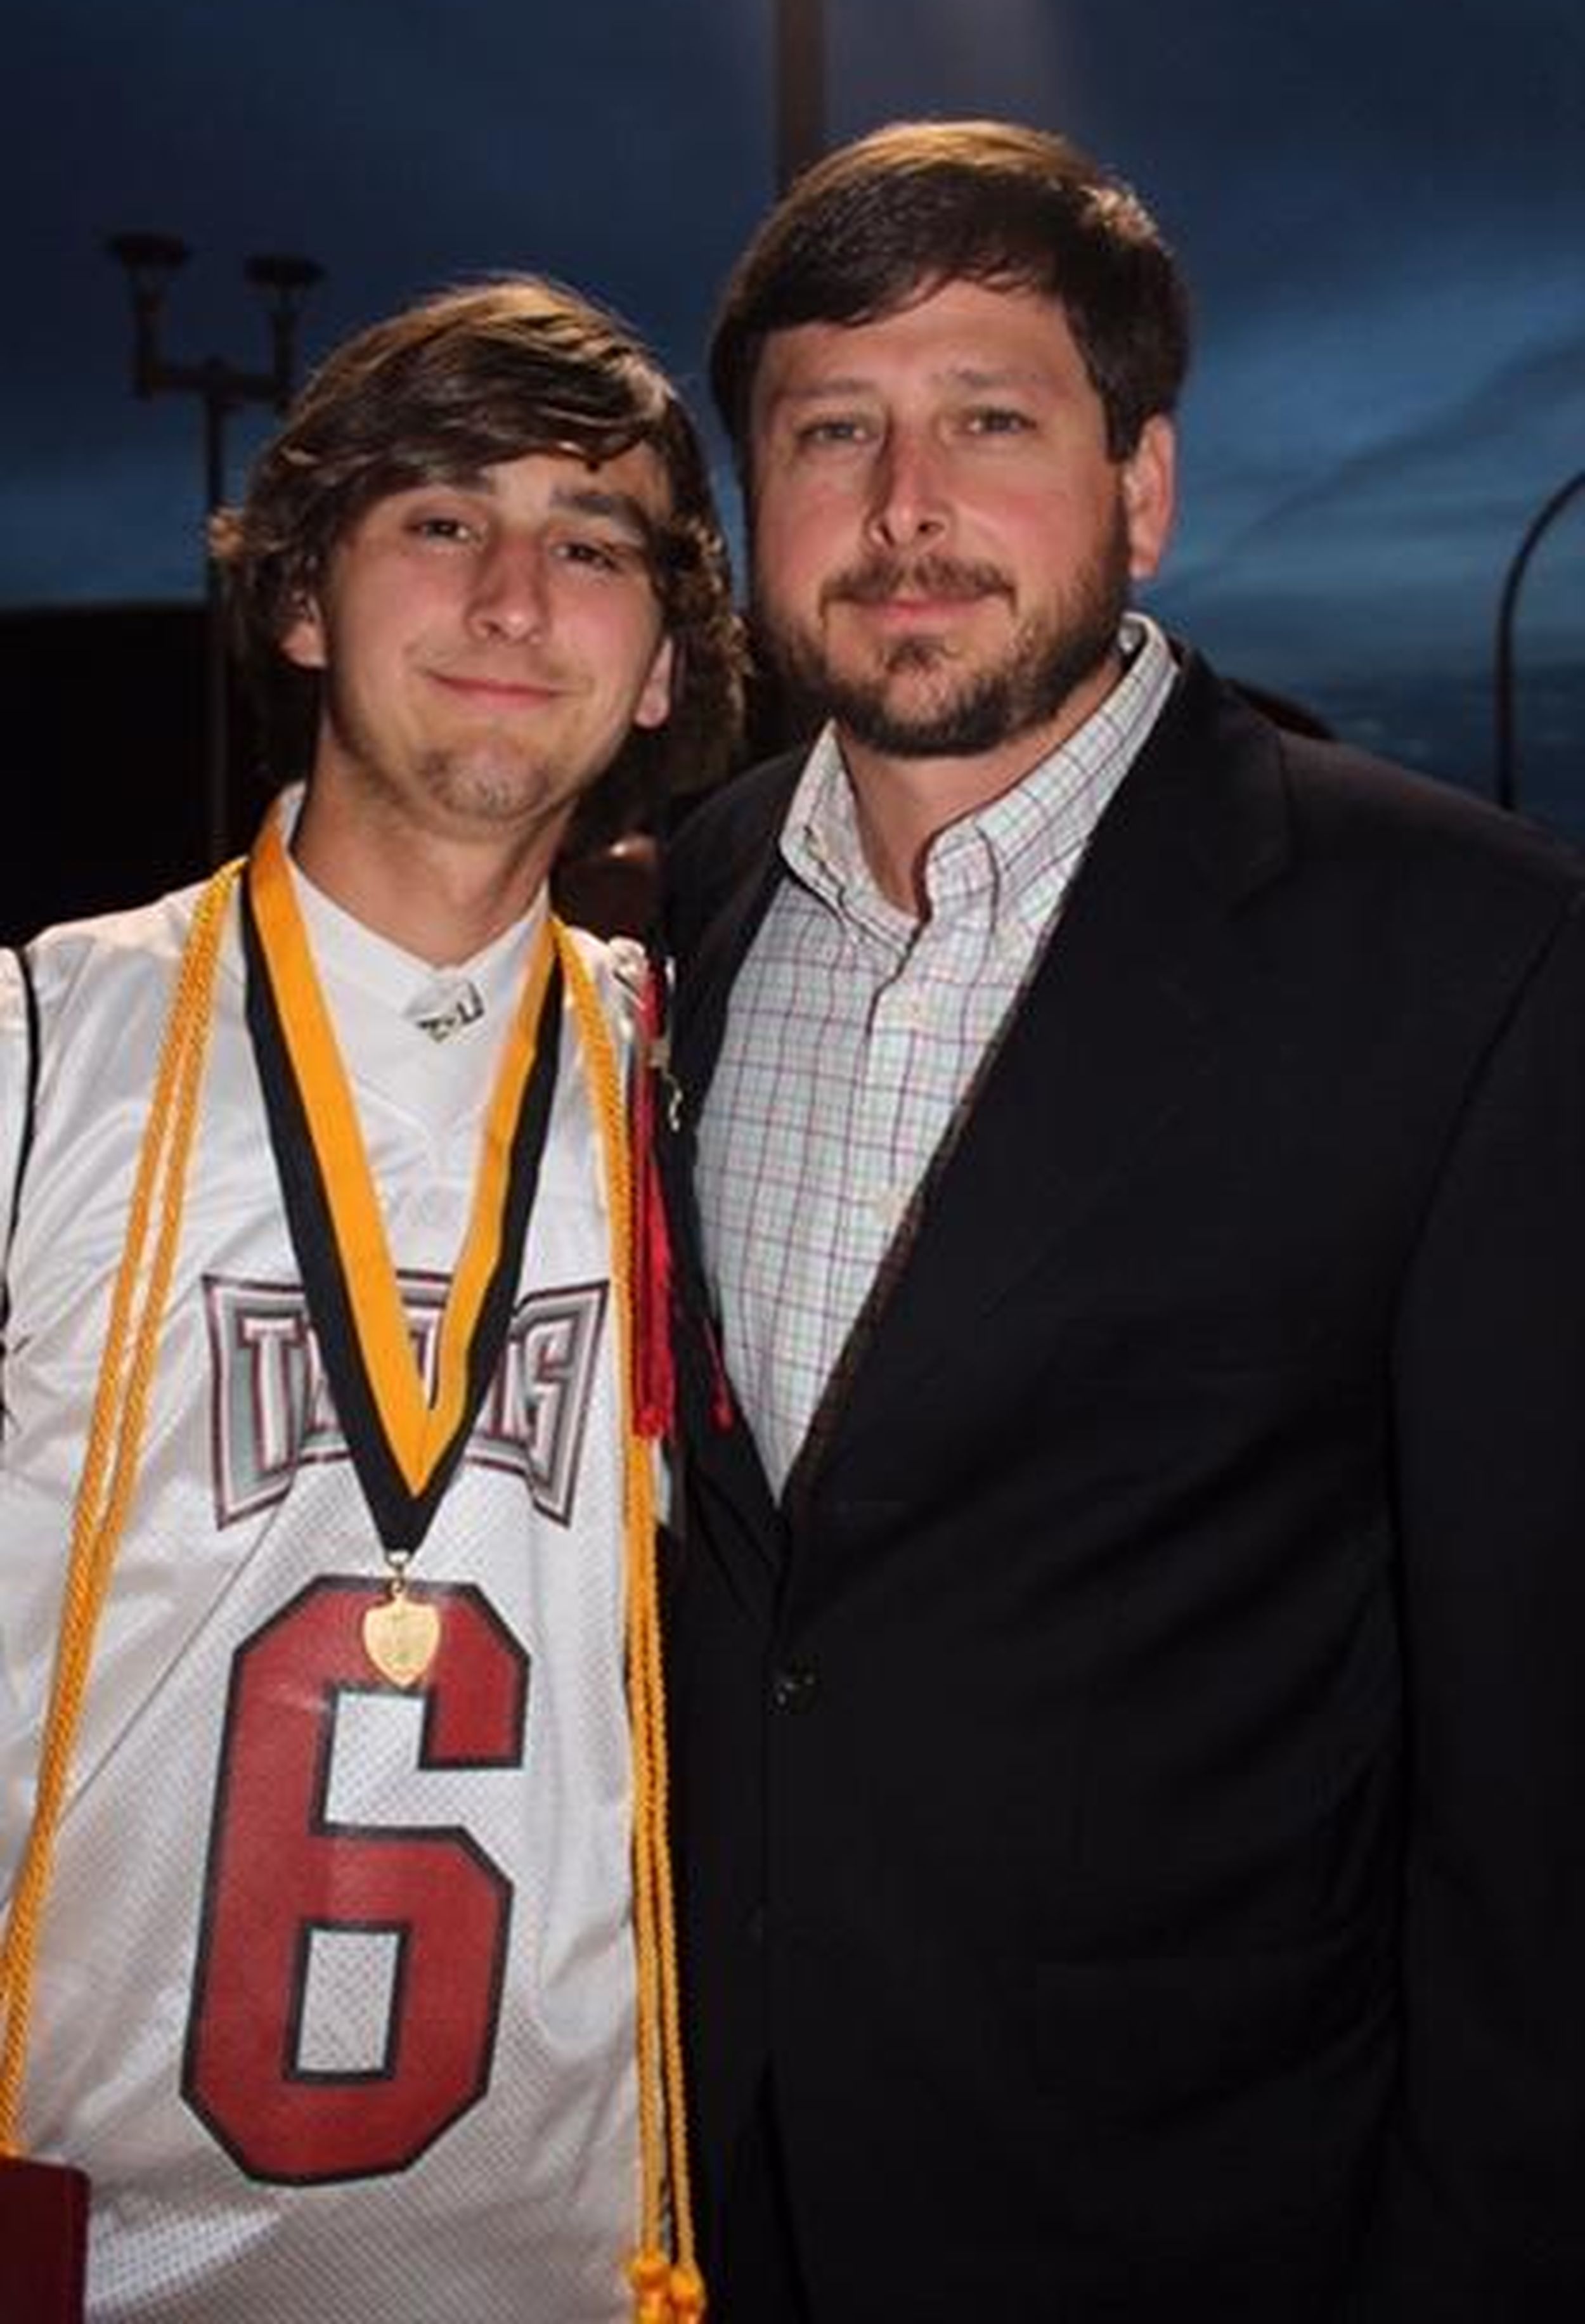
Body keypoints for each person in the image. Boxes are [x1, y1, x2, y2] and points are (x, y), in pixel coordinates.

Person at [662, 119, 1585, 2321]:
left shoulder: (1469, 955)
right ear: (748, 507)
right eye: (830, 431)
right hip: (696, 2191)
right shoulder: (676, 911)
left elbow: (1537, 1781)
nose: (906, 508)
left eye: (989, 419)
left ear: (1139, 488)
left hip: (1196, 2219)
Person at [0, 276, 739, 2324]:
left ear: (665, 664)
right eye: (438, 519)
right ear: (304, 599)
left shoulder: (706, 1086)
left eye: (592, 546)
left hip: (585, 2267)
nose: (516, 597)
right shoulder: (40, 1053)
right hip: (95, 2252)